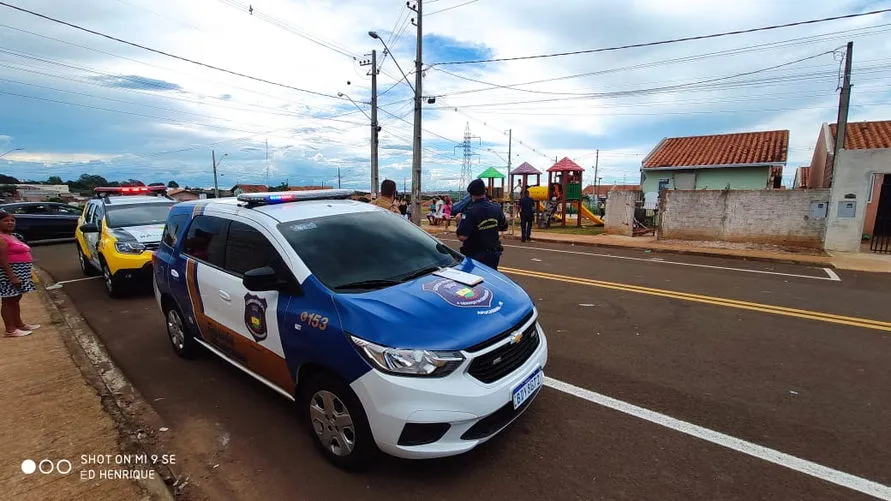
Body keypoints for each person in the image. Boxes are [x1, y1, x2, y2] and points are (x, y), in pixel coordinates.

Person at [0, 210, 39, 337]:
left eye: (12, 220)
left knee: (16, 298)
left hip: (20, 271)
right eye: (6, 220)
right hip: (9, 273)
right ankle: (10, 329)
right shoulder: (1, 237)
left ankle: (19, 324)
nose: (10, 223)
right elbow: (2, 259)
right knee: (8, 299)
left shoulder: (11, 235)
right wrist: (12, 276)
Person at [456, 179, 508, 270]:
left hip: (475, 255)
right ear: (484, 191)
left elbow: (462, 236)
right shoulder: (496, 208)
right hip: (493, 253)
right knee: (490, 278)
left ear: (471, 194)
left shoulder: (468, 212)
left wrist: (459, 221)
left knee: (472, 281)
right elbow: (504, 227)